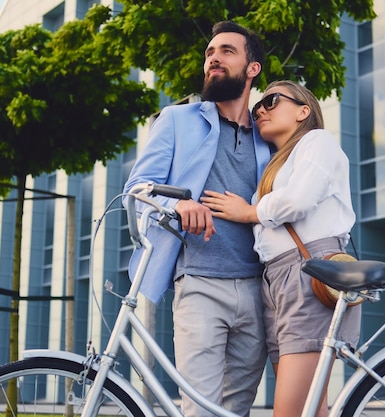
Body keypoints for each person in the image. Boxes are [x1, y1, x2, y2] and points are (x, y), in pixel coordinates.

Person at [123, 21, 271, 417]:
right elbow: (137, 188)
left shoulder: (268, 135)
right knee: (200, 411)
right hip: (200, 284)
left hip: (259, 289)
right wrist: (177, 205)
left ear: (251, 68)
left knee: (235, 410)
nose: (213, 59)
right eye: (209, 53)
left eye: (226, 51)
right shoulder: (177, 120)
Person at [201, 80, 361, 417]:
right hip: (279, 279)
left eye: (271, 100)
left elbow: (299, 200)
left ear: (304, 110)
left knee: (289, 411)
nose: (259, 109)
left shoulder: (317, 141)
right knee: (309, 407)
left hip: (309, 273)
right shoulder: (278, 163)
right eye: (258, 105)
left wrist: (248, 212)